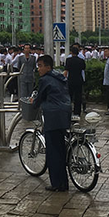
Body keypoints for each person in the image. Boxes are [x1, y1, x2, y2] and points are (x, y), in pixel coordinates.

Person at [33, 54, 71, 192]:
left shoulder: (45, 79)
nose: (39, 69)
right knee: (61, 150)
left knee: (53, 152)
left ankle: (56, 184)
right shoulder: (60, 76)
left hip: (53, 117)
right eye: (38, 66)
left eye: (41, 66)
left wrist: (34, 104)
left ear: (48, 67)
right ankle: (64, 183)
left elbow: (39, 97)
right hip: (65, 113)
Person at [64, 46, 87, 119]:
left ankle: (69, 110)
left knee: (69, 96)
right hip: (79, 80)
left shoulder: (68, 60)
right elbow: (83, 68)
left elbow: (66, 70)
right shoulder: (81, 60)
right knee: (78, 97)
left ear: (71, 52)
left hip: (71, 80)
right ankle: (77, 112)